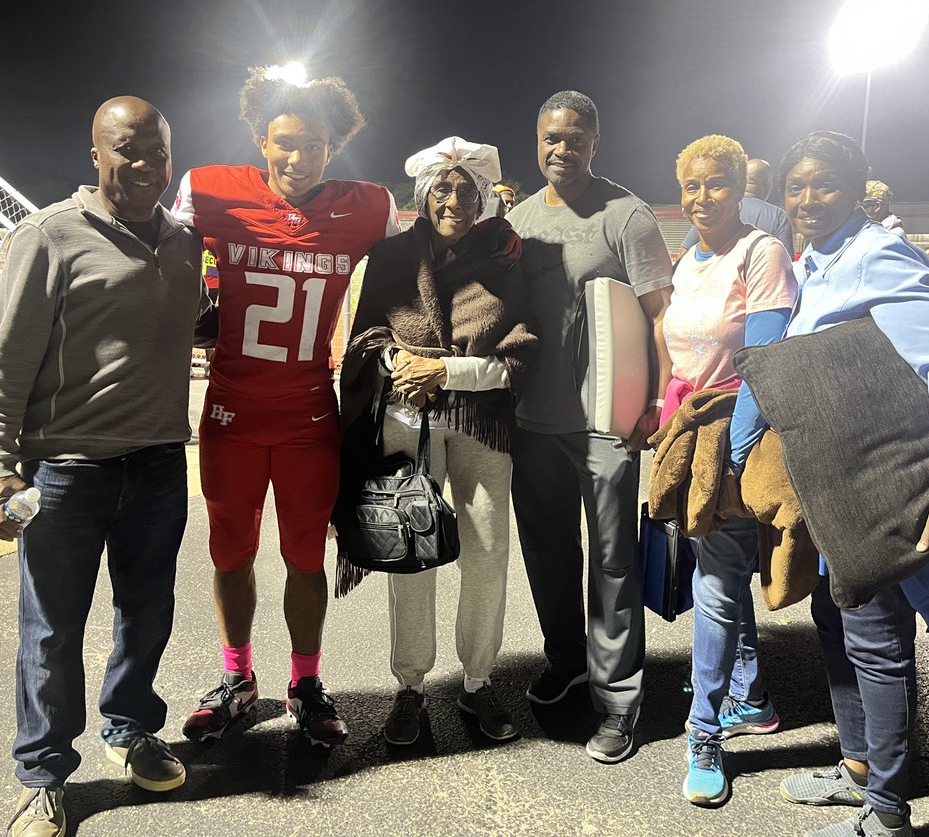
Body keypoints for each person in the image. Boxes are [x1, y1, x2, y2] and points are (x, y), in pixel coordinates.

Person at [0, 97, 204, 837]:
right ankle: (41, 775)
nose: (145, 166)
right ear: (95, 154)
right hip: (65, 472)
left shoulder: (181, 241)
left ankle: (129, 729)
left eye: (158, 153)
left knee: (146, 616)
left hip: (160, 467)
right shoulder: (48, 236)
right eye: (127, 150)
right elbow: (5, 365)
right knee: (51, 632)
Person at [775, 131, 929, 837]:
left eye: (824, 184)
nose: (808, 199)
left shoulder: (876, 252)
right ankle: (857, 771)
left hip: (880, 490)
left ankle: (887, 814)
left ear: (854, 187)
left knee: (876, 641)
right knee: (834, 619)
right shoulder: (816, 261)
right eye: (796, 186)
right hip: (838, 490)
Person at [172, 71, 398, 749]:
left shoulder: (366, 206)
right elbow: (162, 266)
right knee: (231, 553)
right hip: (231, 415)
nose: (299, 159)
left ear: (335, 147)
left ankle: (305, 682)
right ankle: (238, 678)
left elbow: (417, 266)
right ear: (260, 139)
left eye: (316, 145)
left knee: (305, 558)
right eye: (286, 143)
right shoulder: (212, 189)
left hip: (307, 415)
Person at [340, 137, 537, 746]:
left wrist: (445, 372)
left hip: (483, 423)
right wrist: (400, 359)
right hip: (407, 417)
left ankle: (477, 683)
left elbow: (522, 356)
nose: (453, 199)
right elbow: (369, 332)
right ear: (423, 195)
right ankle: (411, 686)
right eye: (442, 189)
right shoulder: (390, 255)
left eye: (466, 190)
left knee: (487, 553)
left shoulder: (507, 260)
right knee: (411, 551)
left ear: (483, 198)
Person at [507, 90, 673, 763]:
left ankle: (618, 699)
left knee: (611, 561)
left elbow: (660, 316)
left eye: (574, 138)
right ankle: (567, 661)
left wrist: (658, 402)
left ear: (594, 142)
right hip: (532, 422)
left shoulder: (626, 216)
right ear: (536, 140)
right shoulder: (516, 219)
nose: (561, 149)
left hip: (607, 419)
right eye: (550, 138)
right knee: (547, 554)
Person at [662, 136, 797, 806]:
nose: (701, 197)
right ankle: (755, 698)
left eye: (716, 184)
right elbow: (680, 361)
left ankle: (704, 733)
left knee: (716, 587)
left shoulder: (761, 252)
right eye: (691, 185)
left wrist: (739, 457)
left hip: (735, 441)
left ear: (741, 189)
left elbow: (765, 365)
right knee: (720, 577)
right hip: (691, 442)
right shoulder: (688, 259)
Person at [682, 157, 793, 253]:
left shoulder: (712, 211)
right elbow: (787, 263)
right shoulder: (778, 216)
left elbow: (684, 253)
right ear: (767, 183)